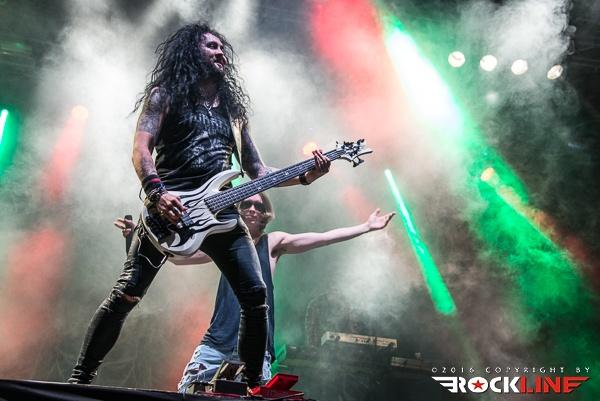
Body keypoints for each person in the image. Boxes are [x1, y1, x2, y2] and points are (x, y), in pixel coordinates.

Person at [68, 22, 330, 387]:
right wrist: (157, 193)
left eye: (223, 48)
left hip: (223, 215)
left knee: (256, 297)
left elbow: (258, 170)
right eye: (211, 46)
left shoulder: (234, 113)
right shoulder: (165, 95)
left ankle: (252, 383)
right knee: (127, 293)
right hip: (169, 209)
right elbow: (141, 148)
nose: (221, 53)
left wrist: (305, 176)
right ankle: (81, 377)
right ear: (192, 52)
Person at [116, 193, 395, 392]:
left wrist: (365, 227)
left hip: (256, 349)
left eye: (258, 206)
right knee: (189, 392)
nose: (251, 208)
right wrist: (139, 236)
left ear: (266, 215)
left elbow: (322, 238)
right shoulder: (222, 243)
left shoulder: (272, 243)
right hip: (216, 343)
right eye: (246, 204)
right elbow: (176, 257)